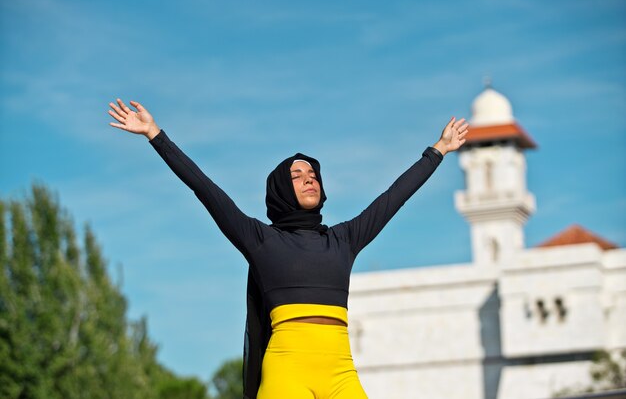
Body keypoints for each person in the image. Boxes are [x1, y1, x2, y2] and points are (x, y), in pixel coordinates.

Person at [107, 98, 468, 399]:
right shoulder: (261, 240)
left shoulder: (343, 239)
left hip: (340, 367)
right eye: (296, 176)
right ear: (280, 189)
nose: (309, 178)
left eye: (312, 174)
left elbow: (393, 198)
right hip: (286, 367)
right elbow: (205, 188)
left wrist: (438, 150)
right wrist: (155, 135)